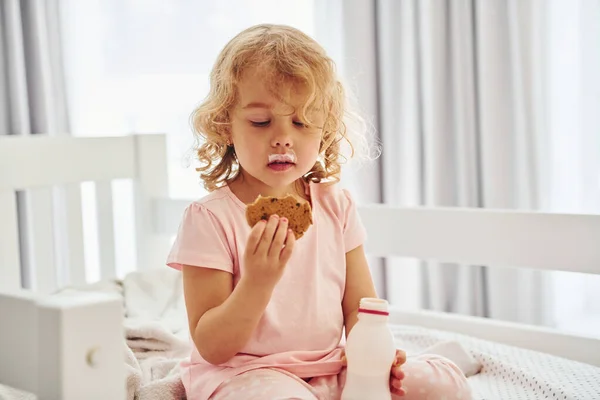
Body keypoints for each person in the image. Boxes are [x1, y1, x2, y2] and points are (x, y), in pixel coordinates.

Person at [167, 23, 472, 400]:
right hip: (250, 375)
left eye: (301, 121)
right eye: (261, 122)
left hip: (334, 367)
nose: (283, 137)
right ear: (224, 125)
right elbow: (212, 346)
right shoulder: (209, 219)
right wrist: (257, 283)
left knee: (442, 384)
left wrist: (376, 355)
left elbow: (361, 309)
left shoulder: (336, 205)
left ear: (325, 127)